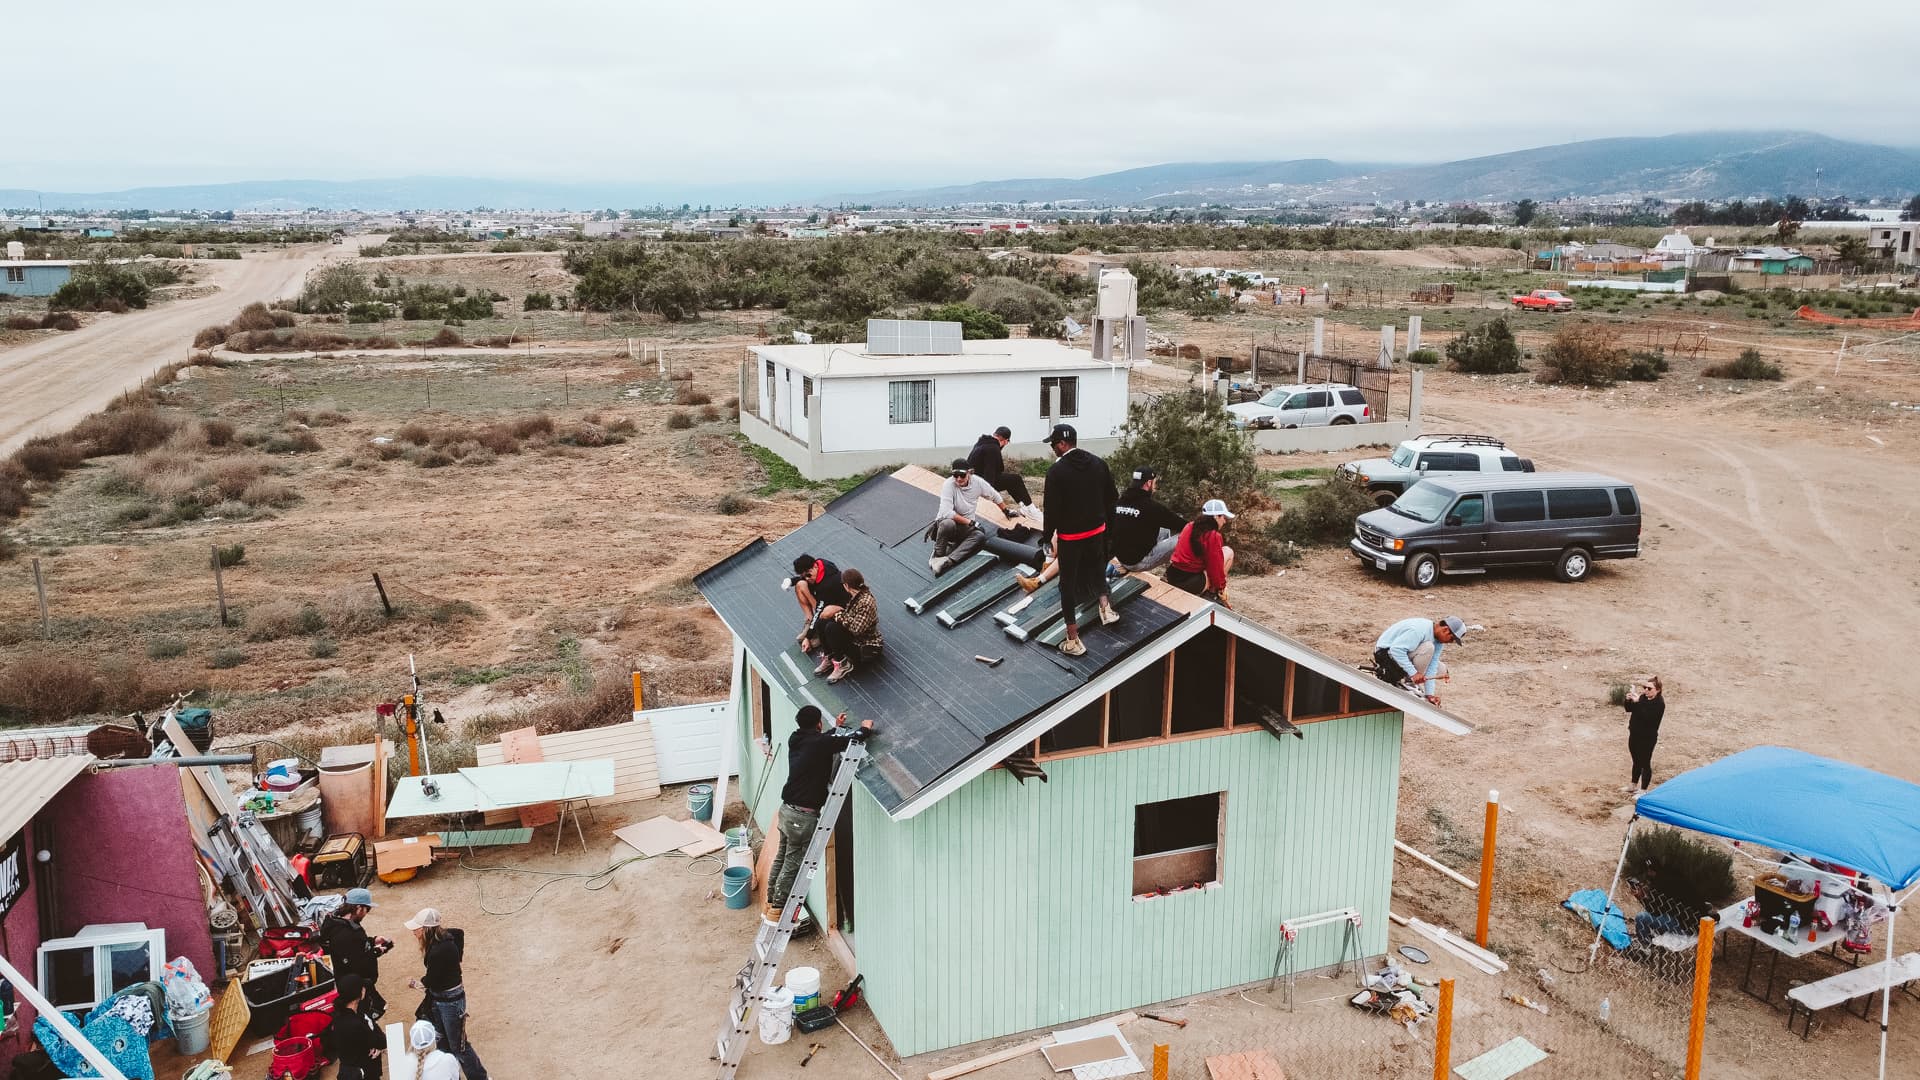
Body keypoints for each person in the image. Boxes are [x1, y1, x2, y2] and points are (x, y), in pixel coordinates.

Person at [766, 707, 875, 924]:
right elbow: (854, 739)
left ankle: (771, 901)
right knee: (793, 861)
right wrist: (865, 728)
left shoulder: (796, 738)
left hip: (787, 810)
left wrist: (836, 728)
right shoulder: (819, 744)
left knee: (783, 855)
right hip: (802, 817)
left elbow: (820, 742)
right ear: (818, 724)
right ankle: (778, 910)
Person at [1016, 467, 1183, 592]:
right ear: (1148, 484)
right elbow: (1183, 525)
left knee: (1069, 541)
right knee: (1068, 540)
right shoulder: (1148, 507)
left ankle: (1043, 572)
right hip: (1121, 554)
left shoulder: (1118, 503)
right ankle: (1043, 574)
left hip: (1112, 549)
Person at [1038, 423, 1118, 657]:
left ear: (1063, 444)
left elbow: (1051, 509)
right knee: (1096, 570)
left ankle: (1073, 639)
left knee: (1067, 586)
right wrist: (1108, 530)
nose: (1053, 448)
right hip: (1097, 531)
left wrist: (1046, 537)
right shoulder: (1098, 463)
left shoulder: (1056, 472)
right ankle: (1106, 608)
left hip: (1071, 537)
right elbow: (1111, 497)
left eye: (1054, 444)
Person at [404, 907, 489, 1080]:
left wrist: (418, 983)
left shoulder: (438, 951)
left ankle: (480, 1077)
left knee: (458, 1046)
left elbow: (431, 980)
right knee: (443, 1040)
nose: (414, 931)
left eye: (417, 928)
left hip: (448, 1002)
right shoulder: (447, 938)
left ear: (426, 929)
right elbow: (459, 933)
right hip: (445, 999)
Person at [321, 888, 390, 1019]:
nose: (366, 913)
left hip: (350, 981)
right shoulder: (347, 933)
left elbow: (354, 948)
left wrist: (372, 940)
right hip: (355, 985)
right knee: (368, 1013)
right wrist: (375, 951)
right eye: (367, 909)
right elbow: (357, 963)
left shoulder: (336, 922)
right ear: (358, 908)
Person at [929, 459, 1008, 574]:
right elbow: (947, 513)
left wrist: (1006, 510)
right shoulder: (949, 484)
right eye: (955, 475)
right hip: (945, 526)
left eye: (962, 475)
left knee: (979, 536)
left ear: (969, 473)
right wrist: (971, 523)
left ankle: (947, 561)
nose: (959, 479)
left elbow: (994, 495)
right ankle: (938, 555)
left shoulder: (978, 483)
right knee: (948, 523)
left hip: (963, 528)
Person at [1372, 616, 1465, 705]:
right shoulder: (1418, 630)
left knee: (1441, 669)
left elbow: (1432, 665)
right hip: (1385, 655)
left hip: (1398, 654)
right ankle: (1408, 682)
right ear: (1446, 630)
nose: (1451, 642)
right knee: (1428, 648)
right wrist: (1414, 674)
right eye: (1452, 638)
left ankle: (1410, 680)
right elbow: (1396, 650)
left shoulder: (1438, 641)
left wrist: (1429, 694)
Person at [811, 567, 883, 684]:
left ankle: (843, 664)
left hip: (865, 646)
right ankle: (830, 657)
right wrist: (835, 611)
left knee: (832, 628)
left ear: (847, 585)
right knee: (821, 623)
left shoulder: (866, 602)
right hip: (854, 638)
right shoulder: (854, 596)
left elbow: (856, 629)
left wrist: (837, 612)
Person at [1165, 500, 1237, 605]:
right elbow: (1215, 568)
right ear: (1216, 516)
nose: (1225, 521)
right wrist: (1221, 587)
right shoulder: (1213, 536)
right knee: (1228, 552)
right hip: (1189, 583)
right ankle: (1212, 594)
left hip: (1172, 576)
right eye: (1224, 518)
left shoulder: (1189, 526)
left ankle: (1211, 591)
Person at [968, 426, 1038, 516]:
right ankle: (1029, 508)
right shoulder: (993, 448)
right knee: (1016, 480)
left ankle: (1023, 506)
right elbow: (990, 474)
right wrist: (987, 499)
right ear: (1005, 441)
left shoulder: (981, 443)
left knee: (1010, 480)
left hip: (972, 481)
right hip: (979, 485)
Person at [326, 974, 385, 1080]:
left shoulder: (337, 1016)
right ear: (359, 994)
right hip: (362, 1073)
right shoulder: (356, 1023)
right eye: (363, 988)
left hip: (346, 1071)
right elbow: (381, 1041)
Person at [788, 553, 849, 646]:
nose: (807, 579)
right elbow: (805, 577)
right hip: (826, 599)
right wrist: (791, 581)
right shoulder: (820, 563)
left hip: (841, 608)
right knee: (800, 585)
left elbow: (819, 611)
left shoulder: (827, 584)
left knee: (823, 612)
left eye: (808, 575)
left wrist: (808, 638)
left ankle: (820, 632)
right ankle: (810, 622)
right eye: (804, 576)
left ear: (815, 566)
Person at [1624, 676, 1665, 792]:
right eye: (1645, 687)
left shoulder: (1659, 704)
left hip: (1647, 738)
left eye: (1649, 688)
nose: (1646, 690)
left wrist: (1638, 703)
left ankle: (1643, 790)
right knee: (1636, 761)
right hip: (1634, 734)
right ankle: (1633, 785)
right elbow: (1629, 709)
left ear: (1657, 690)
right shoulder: (1643, 697)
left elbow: (1648, 718)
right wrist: (1628, 700)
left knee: (1645, 763)